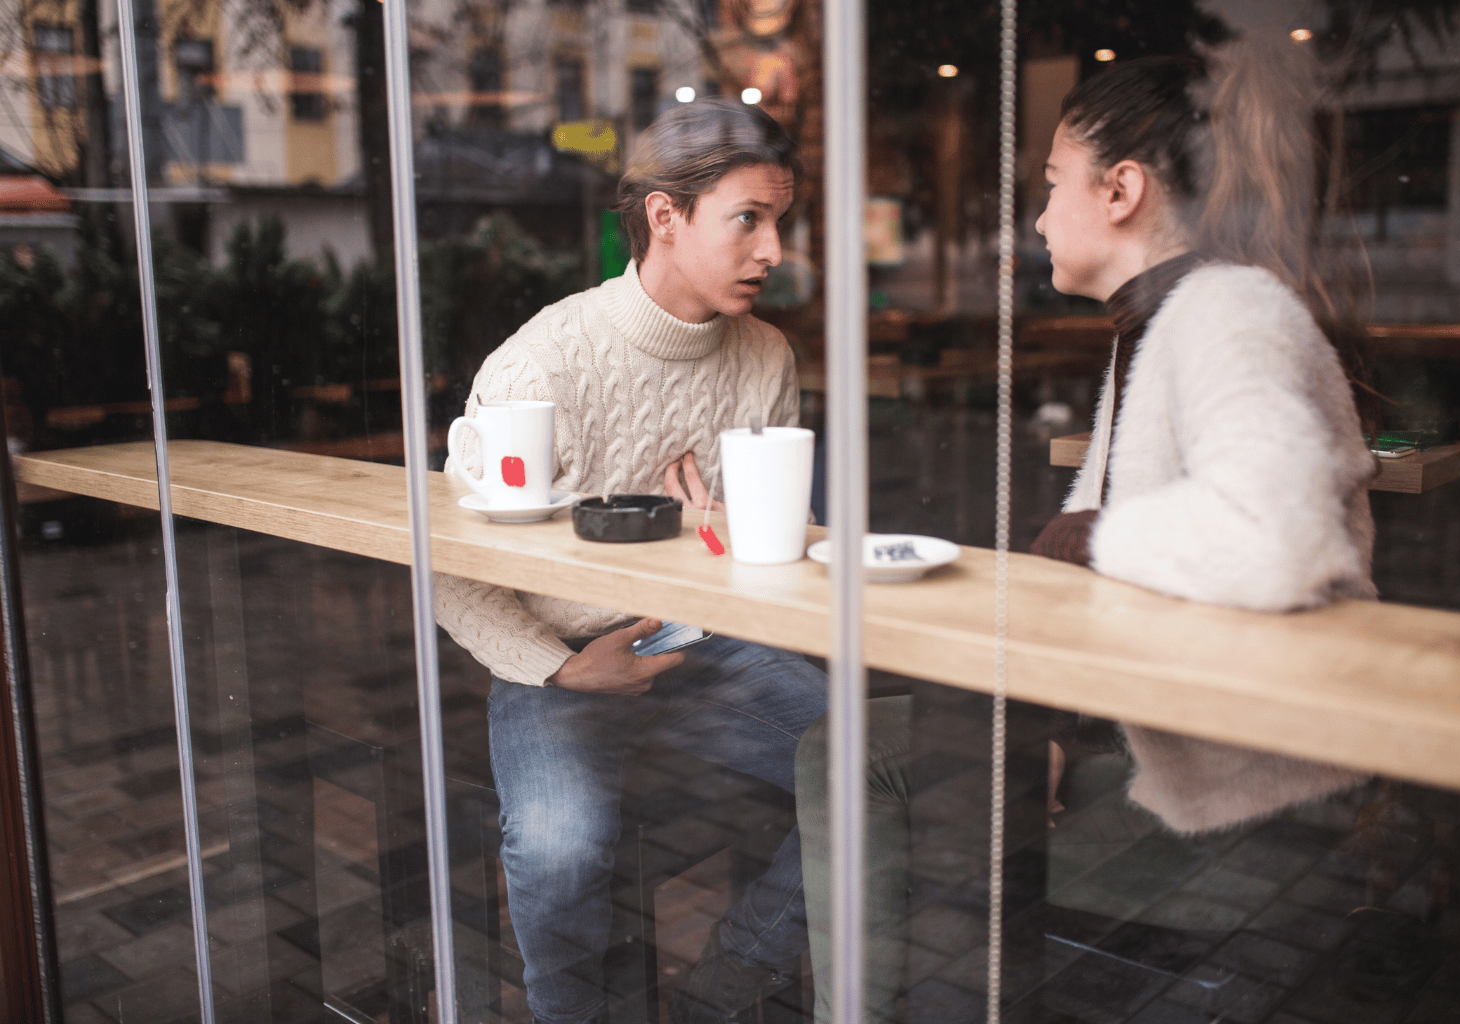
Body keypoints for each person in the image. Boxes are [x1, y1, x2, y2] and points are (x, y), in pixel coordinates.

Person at [796, 44, 1379, 1022]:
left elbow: (1275, 533)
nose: (1036, 217)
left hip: (1223, 778)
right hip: (1158, 724)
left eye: (1053, 184)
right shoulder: (1164, 321)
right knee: (880, 745)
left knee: (855, 757)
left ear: (1121, 190)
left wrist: (1083, 537)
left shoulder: (1226, 314)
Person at [435, 98, 826, 1024]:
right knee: (562, 849)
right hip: (556, 663)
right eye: (749, 220)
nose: (774, 250)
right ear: (665, 216)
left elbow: (776, 546)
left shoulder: (765, 352)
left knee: (873, 772)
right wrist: (559, 665)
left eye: (781, 222)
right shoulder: (543, 363)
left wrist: (724, 532)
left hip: (702, 645)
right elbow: (450, 568)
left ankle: (723, 988)